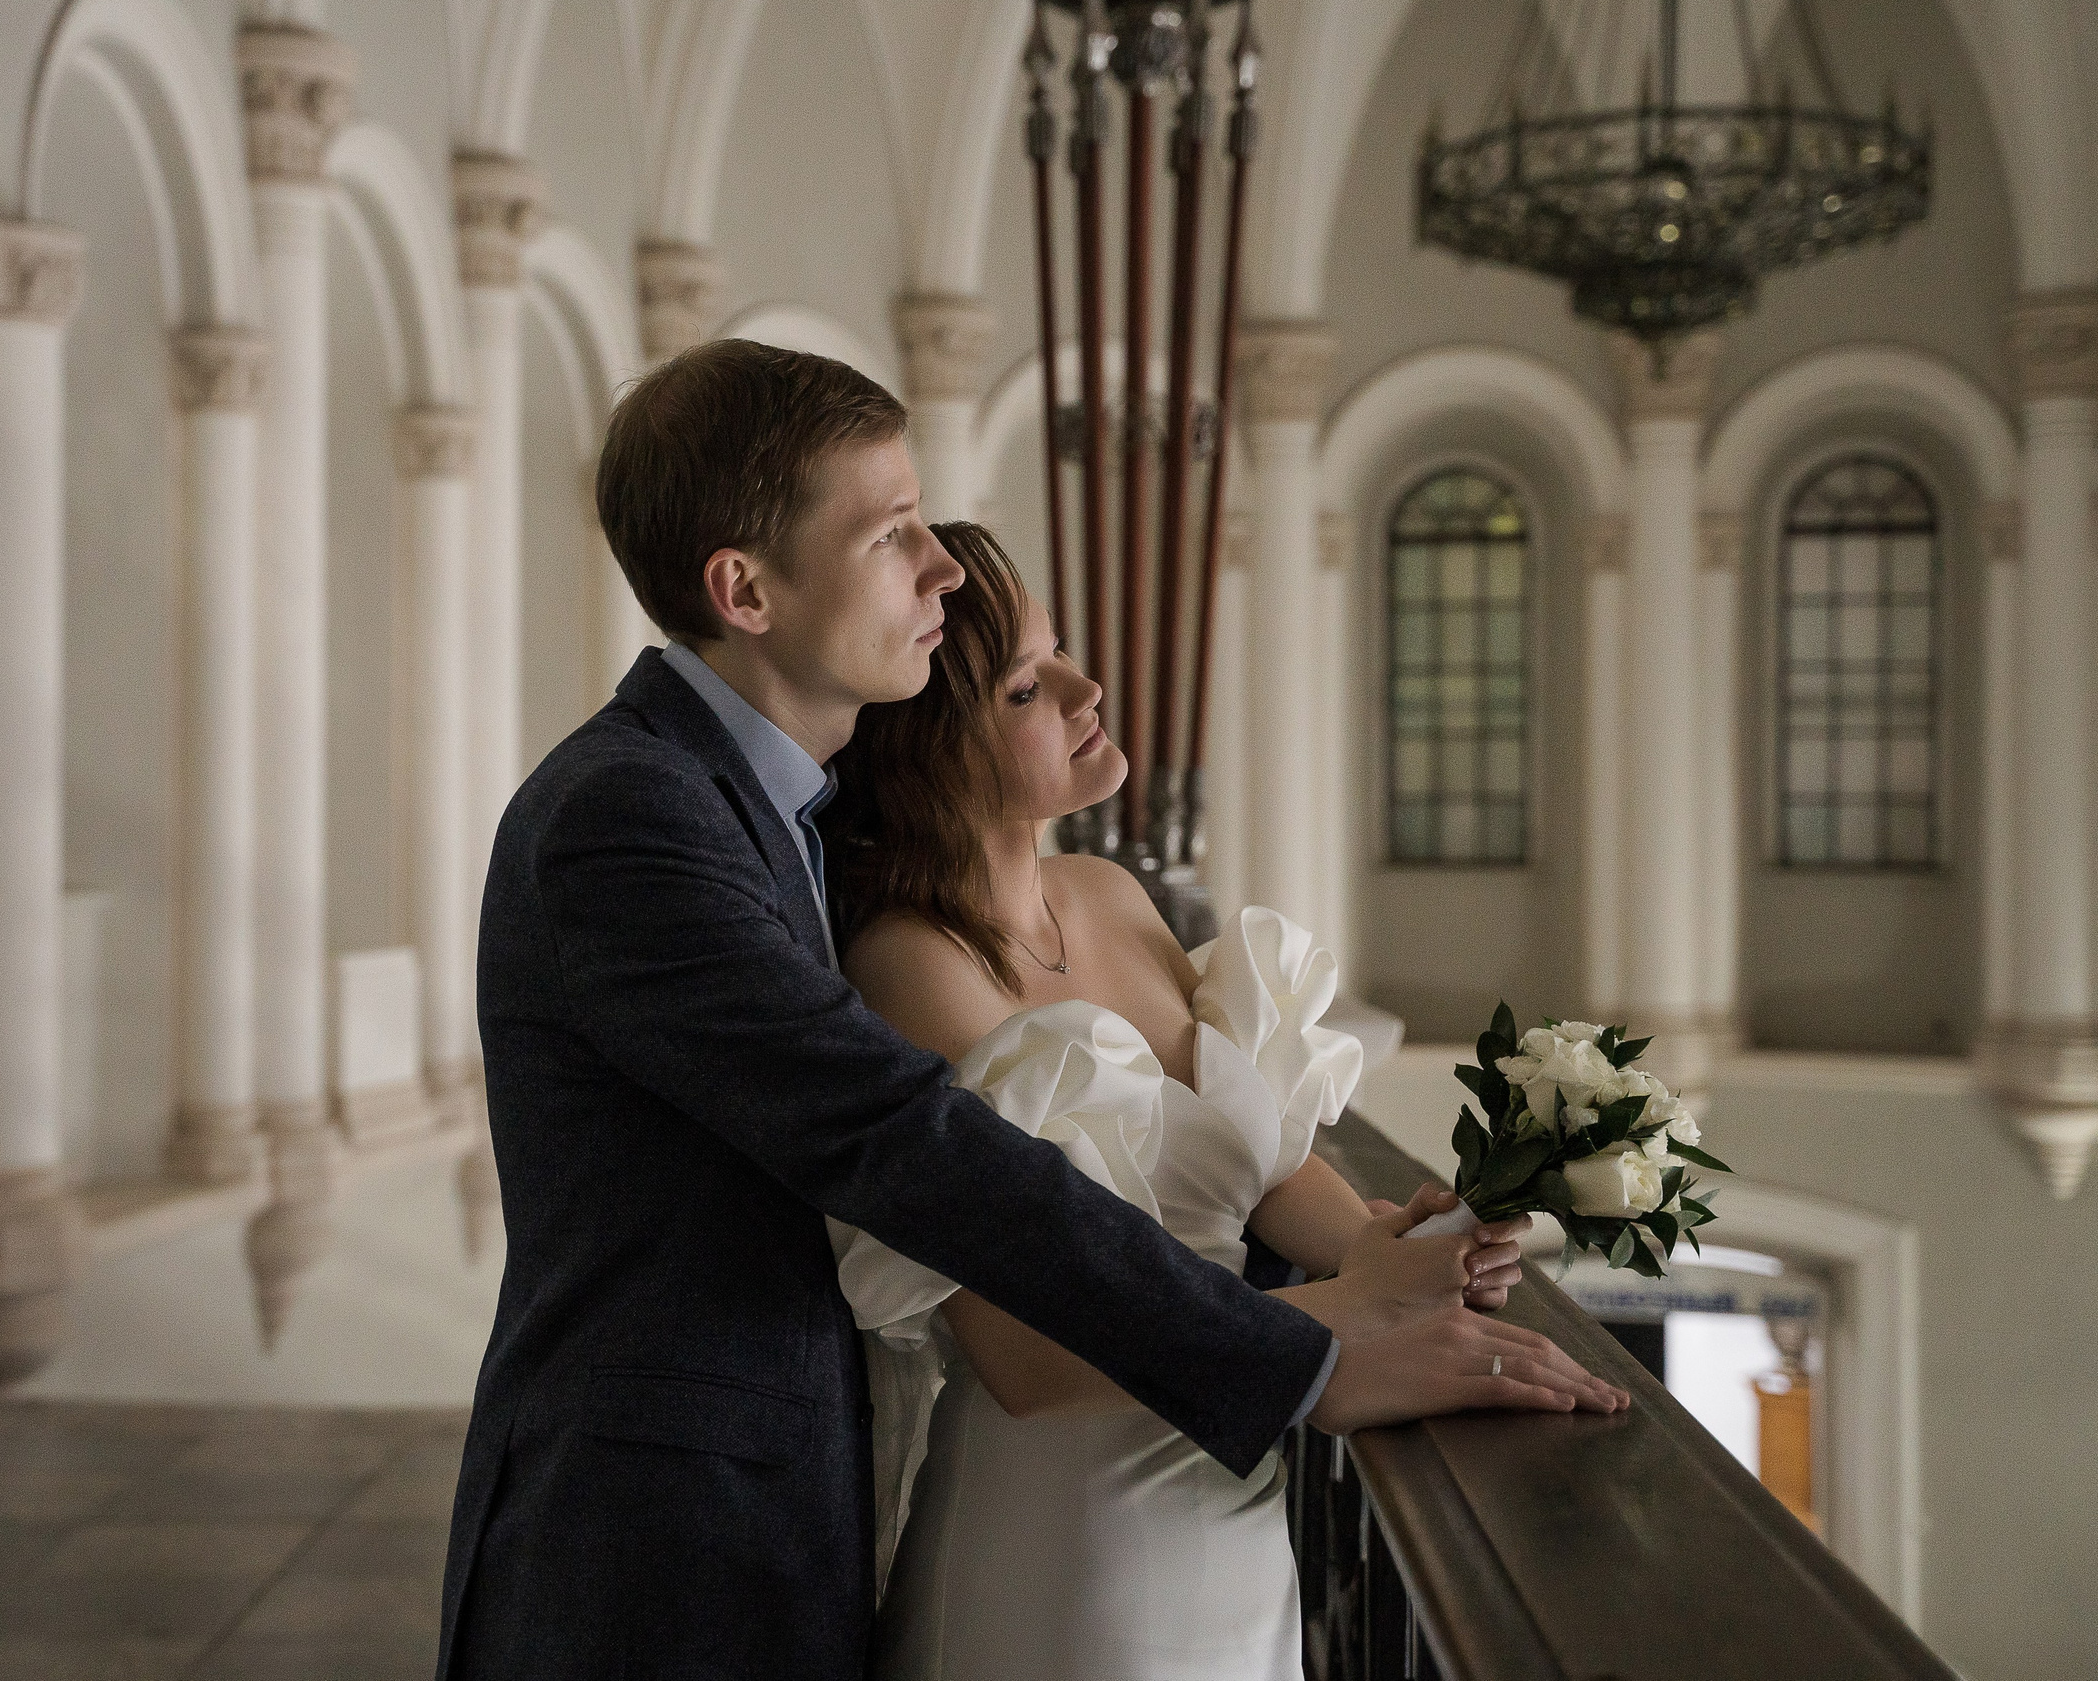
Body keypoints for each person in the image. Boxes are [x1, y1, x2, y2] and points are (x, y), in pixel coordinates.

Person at [437, 341, 1624, 1681]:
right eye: (891, 533)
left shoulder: (778, 815)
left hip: (780, 1511)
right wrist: (1307, 1354)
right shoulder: (632, 813)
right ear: (745, 590)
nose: (940, 568)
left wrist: (1361, 1262)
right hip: (651, 1552)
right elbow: (900, 1137)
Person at [824, 520, 1587, 1680]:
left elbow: (1252, 1157)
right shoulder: (912, 966)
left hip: (1233, 1513)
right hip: (1069, 1545)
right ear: (925, 750)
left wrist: (1391, 1246)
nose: (1085, 690)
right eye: (1026, 687)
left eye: (1058, 651)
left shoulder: (1106, 893)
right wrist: (1344, 1324)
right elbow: (1021, 1356)